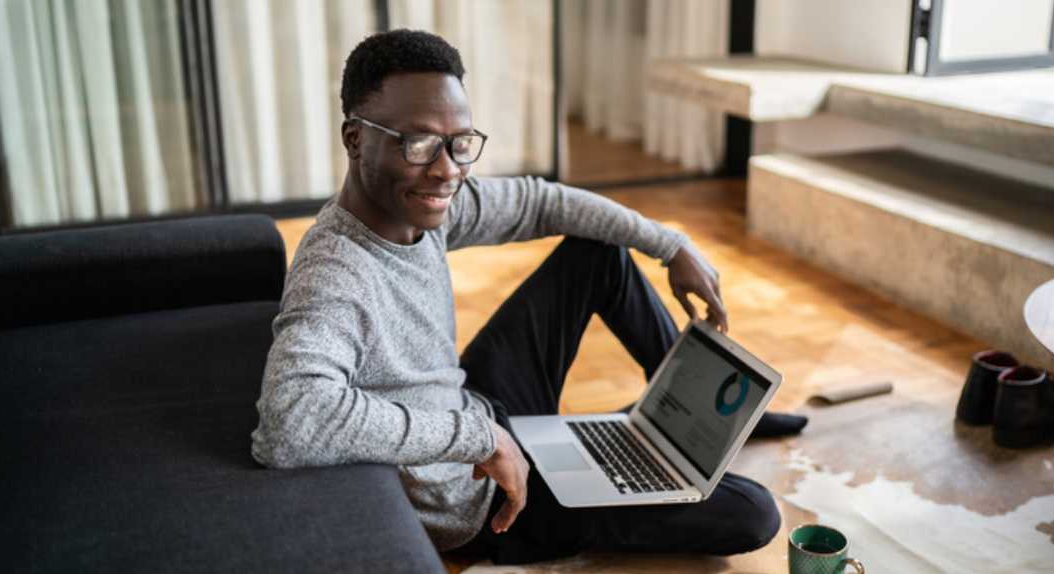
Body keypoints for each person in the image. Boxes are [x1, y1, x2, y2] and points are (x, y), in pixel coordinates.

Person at [252, 29, 801, 565]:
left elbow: (542, 203)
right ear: (354, 138)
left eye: (459, 143)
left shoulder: (417, 208)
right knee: (755, 512)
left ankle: (687, 414)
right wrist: (478, 439)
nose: (446, 170)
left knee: (599, 252)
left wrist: (671, 245)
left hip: (480, 406)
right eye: (416, 143)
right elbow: (290, 423)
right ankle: (659, 428)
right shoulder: (335, 274)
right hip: (484, 499)